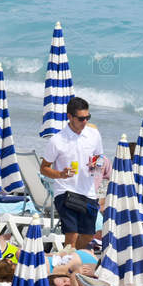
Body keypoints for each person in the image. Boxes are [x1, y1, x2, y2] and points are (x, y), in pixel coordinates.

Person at [40, 96, 105, 249]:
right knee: (72, 235)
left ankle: (71, 260)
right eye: (81, 118)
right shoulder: (57, 140)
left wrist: (94, 169)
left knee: (88, 235)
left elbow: (99, 157)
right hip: (65, 191)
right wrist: (60, 174)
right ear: (70, 117)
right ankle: (68, 265)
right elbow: (44, 168)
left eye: (87, 118)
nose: (85, 122)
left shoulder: (93, 135)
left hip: (88, 191)